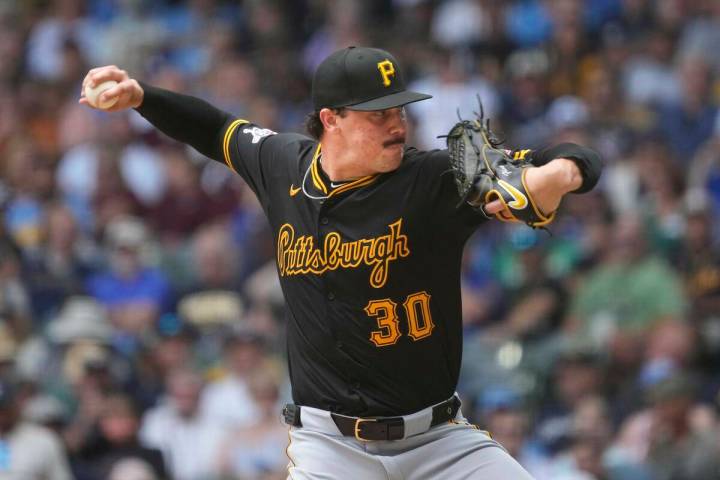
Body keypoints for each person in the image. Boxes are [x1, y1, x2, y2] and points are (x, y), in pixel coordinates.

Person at [80, 46, 601, 479]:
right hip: (332, 451)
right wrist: (142, 97)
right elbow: (215, 128)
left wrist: (558, 176)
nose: (398, 124)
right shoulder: (281, 163)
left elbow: (568, 156)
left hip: (440, 442)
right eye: (380, 114)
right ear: (332, 119)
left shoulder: (434, 179)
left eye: (400, 110)